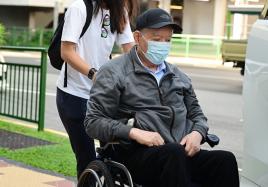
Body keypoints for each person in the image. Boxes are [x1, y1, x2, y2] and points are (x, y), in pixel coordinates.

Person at [84, 8, 240, 187]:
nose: (163, 44)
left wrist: (198, 134)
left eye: (168, 40)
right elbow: (93, 122)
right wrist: (134, 132)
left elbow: (198, 116)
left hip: (179, 152)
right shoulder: (114, 72)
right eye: (157, 39)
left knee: (225, 160)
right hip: (136, 153)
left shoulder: (178, 76)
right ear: (137, 38)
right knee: (173, 154)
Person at [56, 0, 138, 179]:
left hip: (104, 97)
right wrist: (95, 75)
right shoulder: (79, 8)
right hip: (74, 96)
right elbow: (67, 51)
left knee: (115, 157)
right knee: (86, 159)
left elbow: (130, 50)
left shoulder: (119, 11)